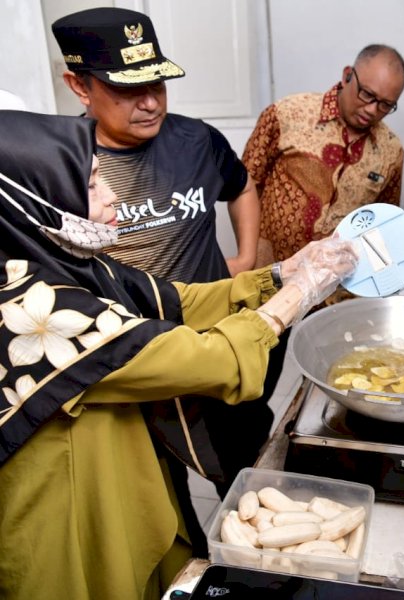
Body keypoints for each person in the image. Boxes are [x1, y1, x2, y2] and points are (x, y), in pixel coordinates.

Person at [0, 109, 357, 600]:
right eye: (92, 184)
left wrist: (278, 274)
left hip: (120, 468)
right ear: (40, 198)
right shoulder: (31, 307)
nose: (112, 198)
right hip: (68, 509)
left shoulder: (60, 258)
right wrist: (293, 300)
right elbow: (203, 358)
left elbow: (175, 302)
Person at [51, 6, 270, 551]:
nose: (150, 101)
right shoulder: (65, 166)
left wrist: (242, 257)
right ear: (79, 86)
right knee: (162, 506)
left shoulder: (196, 140)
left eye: (157, 83)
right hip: (137, 368)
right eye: (127, 89)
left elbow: (240, 186)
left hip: (215, 345)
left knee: (254, 484)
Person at [242, 43, 404, 267]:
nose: (372, 110)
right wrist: (247, 257)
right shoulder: (287, 114)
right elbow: (244, 187)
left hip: (338, 288)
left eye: (386, 105)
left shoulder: (391, 150)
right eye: (367, 94)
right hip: (271, 276)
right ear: (347, 75)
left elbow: (382, 221)